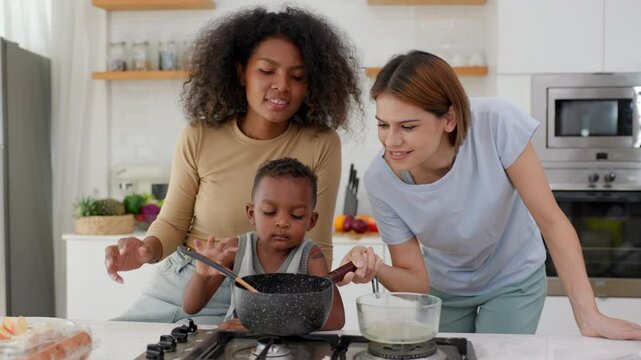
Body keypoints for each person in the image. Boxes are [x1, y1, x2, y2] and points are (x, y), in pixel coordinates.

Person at [339, 50, 641, 340]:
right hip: (443, 287)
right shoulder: (381, 180)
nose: (391, 141)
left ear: (449, 119)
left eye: (408, 126)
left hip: (513, 277)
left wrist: (588, 315)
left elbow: (551, 222)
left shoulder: (496, 123)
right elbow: (416, 282)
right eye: (383, 125)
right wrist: (378, 267)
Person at [103, 6, 361, 324]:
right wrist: (145, 250)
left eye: (297, 76)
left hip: (261, 293)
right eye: (267, 71)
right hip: (183, 282)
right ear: (241, 72)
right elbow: (172, 223)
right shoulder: (199, 136)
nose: (282, 85)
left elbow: (316, 244)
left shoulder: (321, 143)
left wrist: (308, 300)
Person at [183, 157, 345, 331]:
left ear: (311, 221)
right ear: (252, 214)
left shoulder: (310, 255)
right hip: (238, 345)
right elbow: (191, 307)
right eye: (270, 212)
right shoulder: (235, 249)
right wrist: (201, 275)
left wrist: (262, 325)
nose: (282, 222)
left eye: (296, 215)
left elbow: (335, 319)